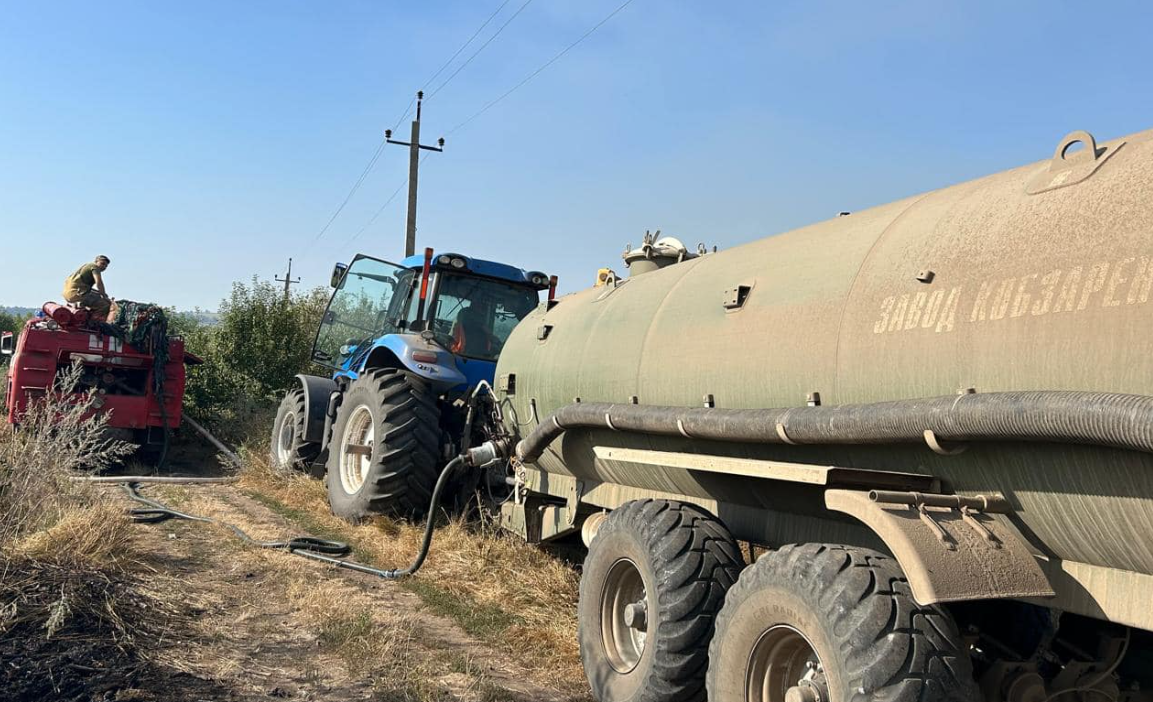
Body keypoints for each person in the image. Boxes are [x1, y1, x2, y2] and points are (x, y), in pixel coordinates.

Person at [63, 255, 112, 320]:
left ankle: (83, 311)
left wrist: (101, 293)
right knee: (105, 305)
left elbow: (86, 288)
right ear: (96, 261)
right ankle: (93, 323)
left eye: (106, 266)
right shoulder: (94, 267)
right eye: (102, 264)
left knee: (98, 296)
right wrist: (104, 296)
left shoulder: (86, 266)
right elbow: (99, 282)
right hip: (78, 294)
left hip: (70, 293)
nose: (104, 267)